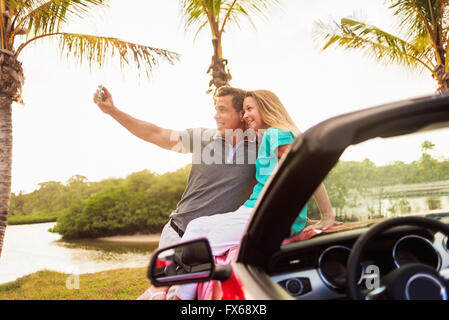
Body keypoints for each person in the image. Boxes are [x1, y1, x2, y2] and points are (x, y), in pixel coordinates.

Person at [93, 85, 259, 299]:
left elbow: (292, 162)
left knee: (181, 296)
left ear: (241, 115)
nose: (215, 115)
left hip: (212, 244)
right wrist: (113, 111)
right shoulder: (202, 137)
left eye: (222, 110)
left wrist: (316, 215)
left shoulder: (260, 147)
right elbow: (156, 133)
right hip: (176, 234)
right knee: (157, 293)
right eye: (215, 109)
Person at [173, 89, 338, 300]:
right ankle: (181, 294)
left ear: (266, 108)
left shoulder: (276, 134)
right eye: (243, 110)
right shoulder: (269, 135)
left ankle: (180, 299)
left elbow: (309, 174)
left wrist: (327, 217)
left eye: (250, 109)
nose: (244, 115)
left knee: (199, 246)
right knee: (196, 226)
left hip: (266, 215)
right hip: (254, 210)